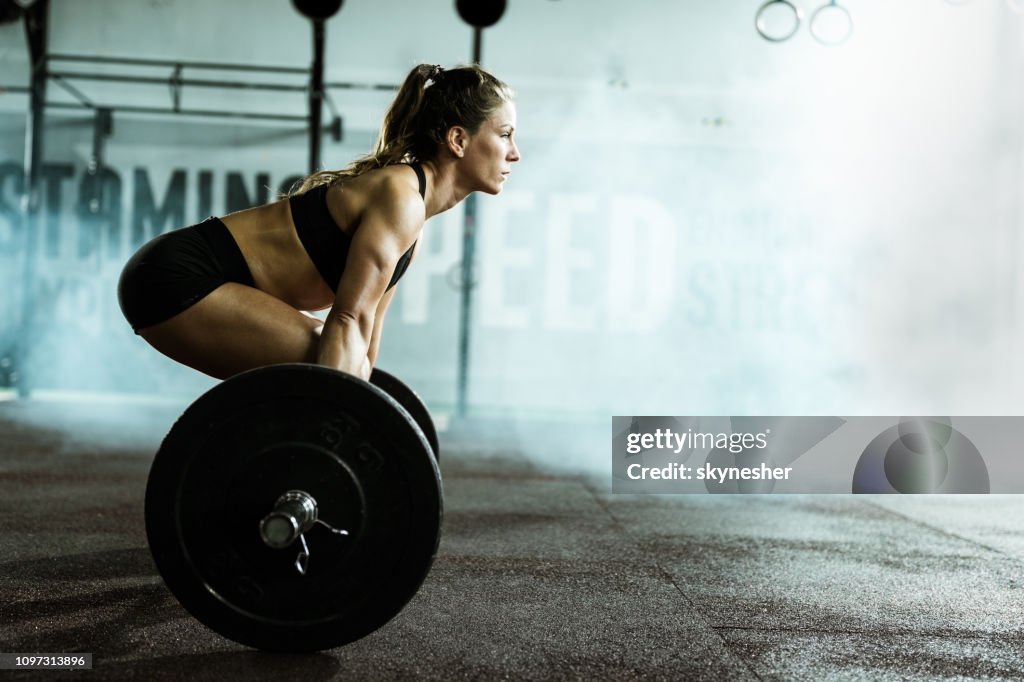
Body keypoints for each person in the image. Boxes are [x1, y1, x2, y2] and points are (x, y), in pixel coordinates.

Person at [118, 63, 520, 381]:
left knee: (349, 366)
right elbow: (346, 320)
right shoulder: (401, 199)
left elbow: (364, 346)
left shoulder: (411, 219)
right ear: (458, 140)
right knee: (322, 357)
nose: (514, 153)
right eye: (504, 134)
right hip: (173, 276)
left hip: (175, 276)